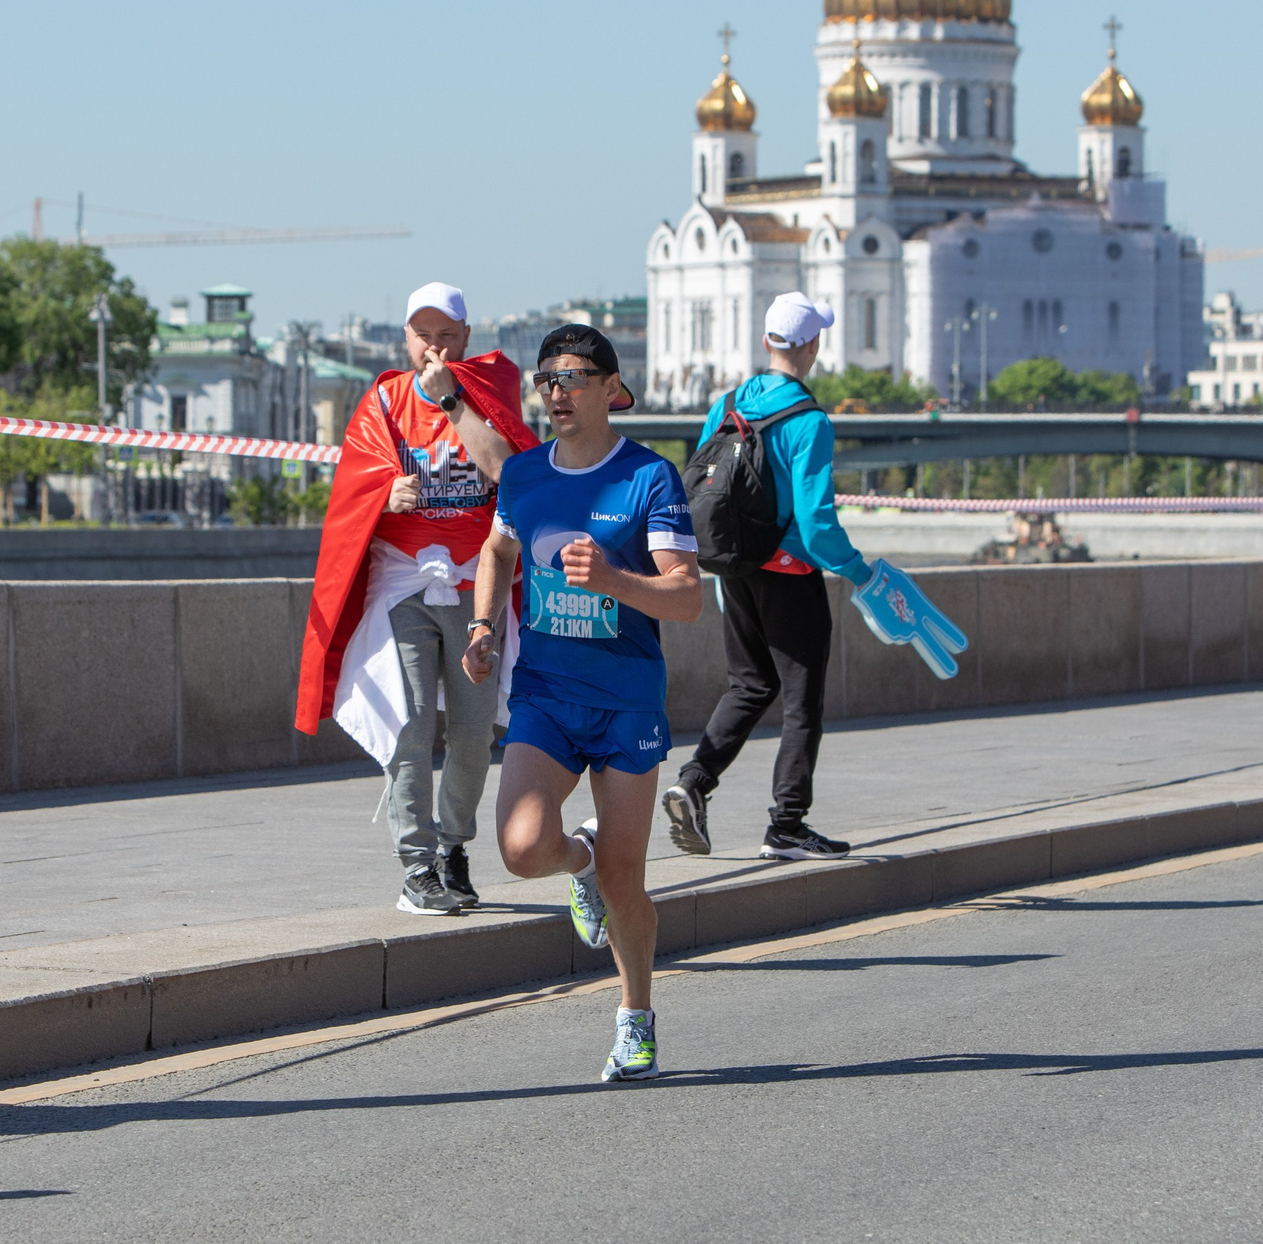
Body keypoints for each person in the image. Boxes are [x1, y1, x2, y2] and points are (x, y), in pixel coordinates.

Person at [462, 323, 699, 1083]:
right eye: (546, 380)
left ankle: (636, 1018)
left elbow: (688, 597)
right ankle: (581, 859)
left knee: (629, 881)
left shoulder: (649, 478)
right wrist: (482, 626)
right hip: (547, 696)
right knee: (523, 847)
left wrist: (615, 581)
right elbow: (497, 550)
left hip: (626, 700)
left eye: (571, 377)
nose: (556, 392)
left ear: (609, 388)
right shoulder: (526, 477)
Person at [295, 283, 540, 917]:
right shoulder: (382, 400)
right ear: (406, 337)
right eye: (423, 333)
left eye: (447, 333)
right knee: (407, 721)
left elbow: (509, 472)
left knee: (471, 725)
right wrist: (383, 498)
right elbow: (352, 494)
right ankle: (415, 862)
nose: (434, 345)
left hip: (473, 583)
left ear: (465, 336)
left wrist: (452, 400)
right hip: (402, 580)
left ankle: (454, 847)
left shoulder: (490, 387)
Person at [662, 292, 872, 863]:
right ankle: (787, 825)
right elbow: (817, 524)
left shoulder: (726, 403)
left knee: (750, 684)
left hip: (734, 569)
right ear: (814, 345)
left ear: (767, 343)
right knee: (802, 700)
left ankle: (695, 780)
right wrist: (860, 571)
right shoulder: (810, 421)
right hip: (789, 574)